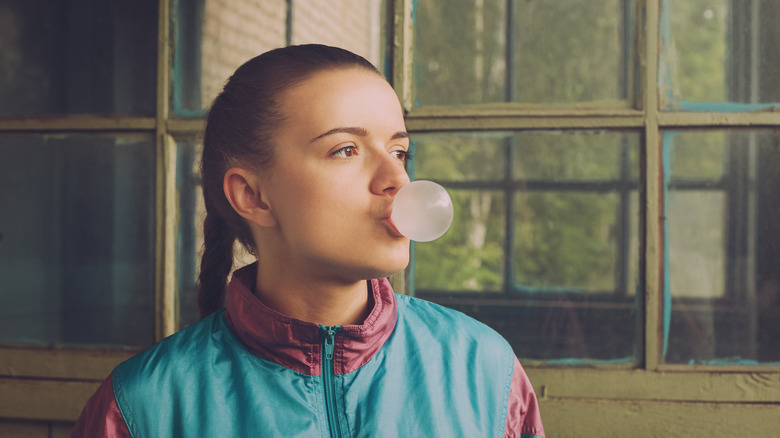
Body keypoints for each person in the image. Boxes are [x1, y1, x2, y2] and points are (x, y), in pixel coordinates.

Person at [71, 44, 545, 438]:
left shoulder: (485, 369)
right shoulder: (140, 409)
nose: (397, 178)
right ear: (252, 195)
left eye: (399, 150)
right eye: (345, 149)